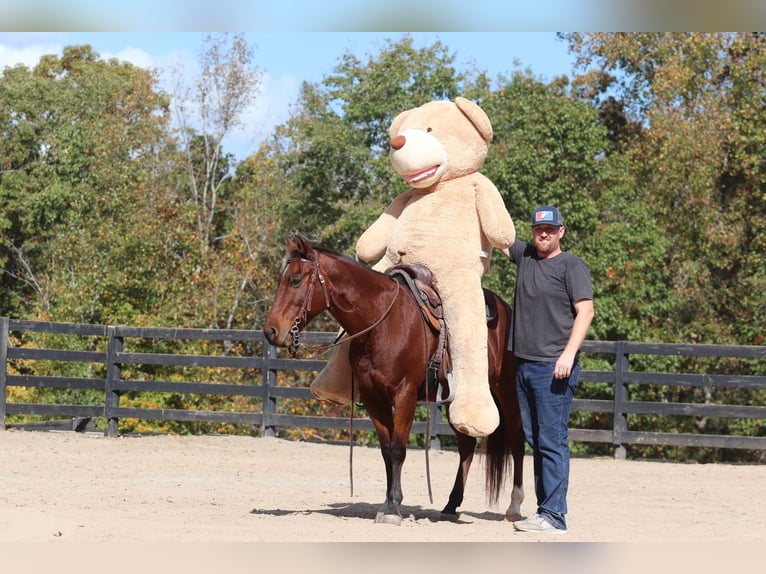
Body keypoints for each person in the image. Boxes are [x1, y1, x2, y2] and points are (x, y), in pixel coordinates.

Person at [501, 205, 594, 535]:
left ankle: (554, 515)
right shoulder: (525, 256)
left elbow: (586, 311)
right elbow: (496, 230)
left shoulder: (571, 265)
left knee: (552, 440)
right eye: (539, 229)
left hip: (554, 367)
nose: (544, 234)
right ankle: (545, 511)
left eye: (550, 230)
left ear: (561, 231)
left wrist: (568, 355)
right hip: (524, 365)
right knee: (536, 439)